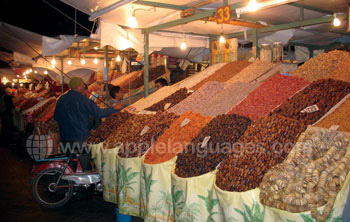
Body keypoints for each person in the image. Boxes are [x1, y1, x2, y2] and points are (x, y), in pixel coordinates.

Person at [54, 77, 123, 171]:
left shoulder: (62, 99)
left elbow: (56, 117)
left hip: (64, 138)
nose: (83, 86)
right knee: (84, 166)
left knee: (69, 166)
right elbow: (98, 113)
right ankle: (84, 185)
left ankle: (70, 184)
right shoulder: (82, 99)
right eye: (82, 84)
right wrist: (114, 108)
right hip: (80, 138)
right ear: (78, 87)